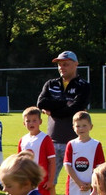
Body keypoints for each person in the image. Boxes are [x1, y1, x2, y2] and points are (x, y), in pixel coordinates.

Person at [37, 51, 90, 186]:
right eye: (59, 65)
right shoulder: (51, 84)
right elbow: (41, 103)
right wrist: (65, 103)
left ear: (76, 64)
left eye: (65, 64)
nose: (61, 67)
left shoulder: (83, 86)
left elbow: (75, 108)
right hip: (52, 141)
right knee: (47, 182)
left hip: (76, 141)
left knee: (78, 183)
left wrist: (53, 110)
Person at [17, 107, 57, 195]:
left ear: (40, 122)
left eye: (34, 120)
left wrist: (50, 180)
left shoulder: (45, 139)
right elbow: (18, 162)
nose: (31, 123)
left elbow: (52, 162)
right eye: (28, 121)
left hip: (42, 183)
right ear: (24, 123)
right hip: (26, 182)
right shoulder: (22, 140)